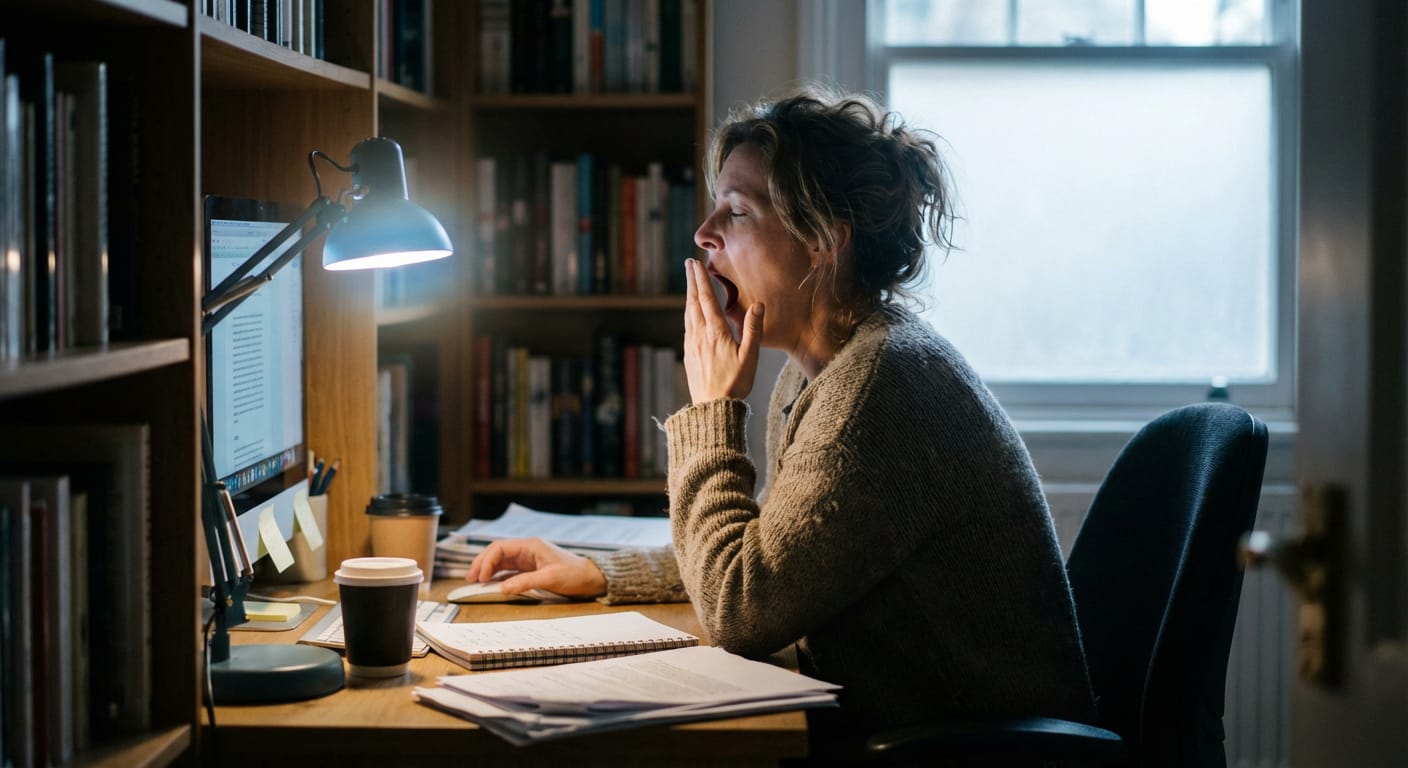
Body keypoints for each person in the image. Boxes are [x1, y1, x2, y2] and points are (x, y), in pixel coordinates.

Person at [467, 84, 1098, 757]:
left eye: (737, 211)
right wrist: (603, 574)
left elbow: (740, 612)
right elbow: (768, 552)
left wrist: (712, 411)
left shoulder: (878, 391)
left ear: (823, 242)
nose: (704, 233)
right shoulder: (821, 369)